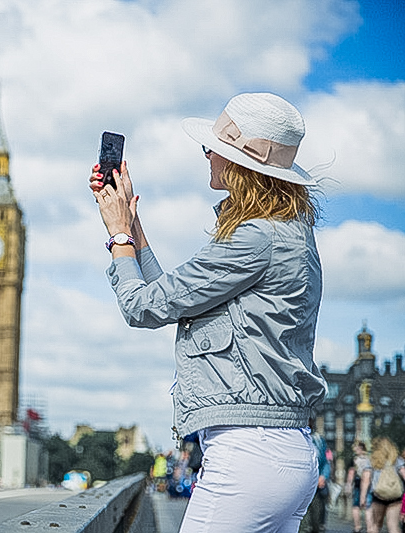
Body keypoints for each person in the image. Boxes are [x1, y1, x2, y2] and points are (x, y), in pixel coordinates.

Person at [90, 92, 326, 532]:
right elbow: (173, 297)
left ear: (240, 163)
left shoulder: (256, 239)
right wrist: (133, 226)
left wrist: (118, 235)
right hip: (288, 452)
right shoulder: (288, 234)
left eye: (212, 147)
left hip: (248, 456)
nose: (207, 154)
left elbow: (143, 306)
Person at [360, 436, 405, 533]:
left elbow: (366, 479)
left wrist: (363, 497)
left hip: (379, 497)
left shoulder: (372, 460)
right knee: (393, 527)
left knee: (376, 526)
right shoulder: (396, 460)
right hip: (395, 497)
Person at [299, 422, 330, 533]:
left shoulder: (319, 440)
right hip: (301, 485)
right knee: (302, 520)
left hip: (317, 485)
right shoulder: (296, 437)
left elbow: (326, 462)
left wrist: (323, 476)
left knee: (317, 517)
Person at [346, 441, 371, 533]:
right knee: (368, 507)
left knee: (356, 506)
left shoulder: (355, 459)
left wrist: (348, 485)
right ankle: (369, 528)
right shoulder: (370, 458)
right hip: (369, 484)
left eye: (356, 448)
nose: (355, 450)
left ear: (360, 448)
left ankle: (357, 527)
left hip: (357, 483)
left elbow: (351, 473)